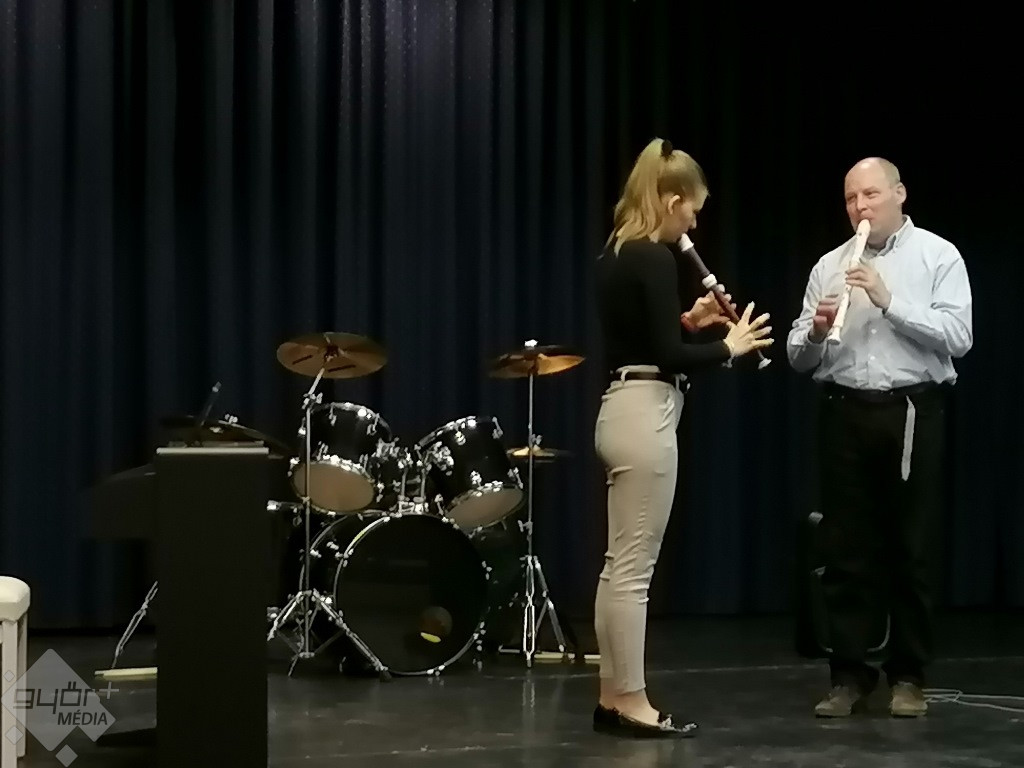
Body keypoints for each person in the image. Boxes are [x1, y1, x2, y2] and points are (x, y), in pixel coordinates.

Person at [592, 138, 773, 737]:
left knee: (617, 567)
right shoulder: (656, 257)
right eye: (692, 210)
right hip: (645, 416)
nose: (693, 223)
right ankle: (633, 702)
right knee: (634, 572)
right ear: (672, 201)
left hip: (619, 408)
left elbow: (646, 339)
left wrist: (689, 322)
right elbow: (667, 357)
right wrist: (730, 346)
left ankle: (611, 697)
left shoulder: (618, 251)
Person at [787, 157, 973, 718]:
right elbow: (798, 355)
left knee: (911, 548)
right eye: (850, 198)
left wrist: (890, 300)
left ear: (899, 193)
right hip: (844, 411)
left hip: (912, 410)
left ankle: (908, 675)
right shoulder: (829, 264)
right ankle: (848, 674)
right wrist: (816, 333)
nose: (859, 208)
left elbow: (959, 337)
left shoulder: (938, 255)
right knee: (846, 548)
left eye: (869, 195)